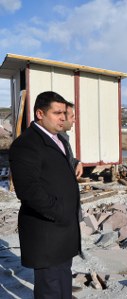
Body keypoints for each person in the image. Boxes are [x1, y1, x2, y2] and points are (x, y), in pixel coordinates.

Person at [9, 91, 81, 299]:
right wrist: (59, 212)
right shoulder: (27, 144)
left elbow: (54, 166)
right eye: (57, 113)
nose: (63, 117)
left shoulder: (57, 139)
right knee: (50, 288)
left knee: (62, 281)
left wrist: (75, 163)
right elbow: (28, 190)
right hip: (46, 231)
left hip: (63, 230)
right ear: (40, 113)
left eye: (64, 113)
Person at [59, 102, 83, 178]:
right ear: (63, 118)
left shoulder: (63, 137)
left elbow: (67, 159)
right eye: (71, 117)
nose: (74, 120)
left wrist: (77, 163)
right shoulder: (56, 140)